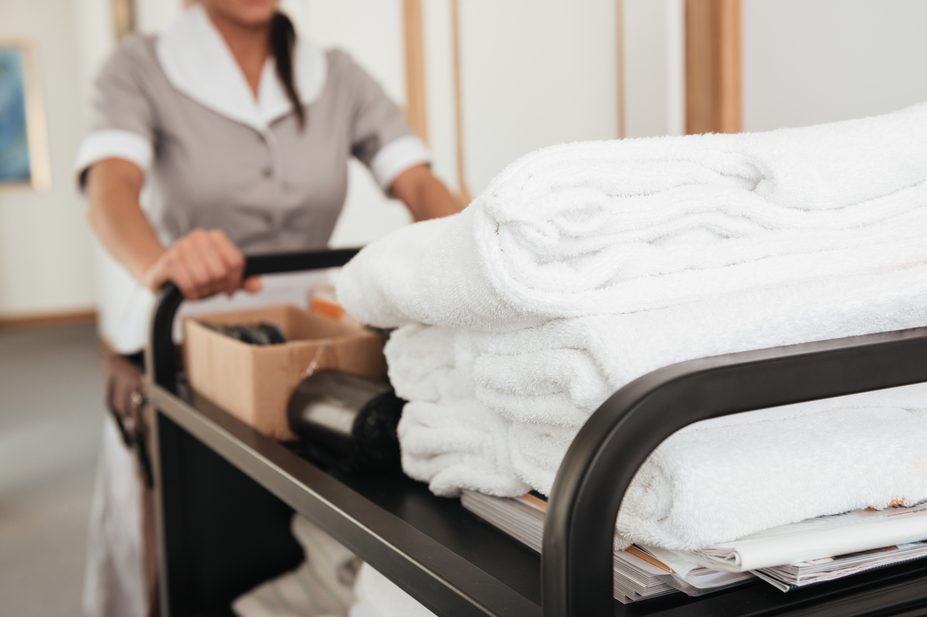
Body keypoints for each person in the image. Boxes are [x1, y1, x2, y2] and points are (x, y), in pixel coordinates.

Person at [75, 1, 462, 615]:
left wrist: (479, 256)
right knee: (202, 555)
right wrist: (160, 262)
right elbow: (110, 189)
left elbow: (418, 184)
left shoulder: (339, 77)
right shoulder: (140, 66)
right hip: (194, 345)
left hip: (316, 342)